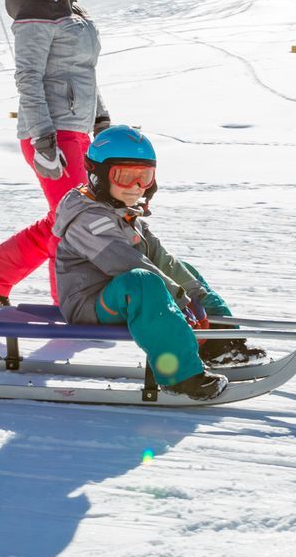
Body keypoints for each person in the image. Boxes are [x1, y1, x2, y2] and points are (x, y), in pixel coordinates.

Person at [52, 127, 263, 401]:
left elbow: (161, 259)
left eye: (145, 177)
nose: (138, 187)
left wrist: (190, 294)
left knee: (181, 270)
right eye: (126, 177)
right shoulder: (88, 219)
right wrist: (181, 301)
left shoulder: (121, 211)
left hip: (121, 294)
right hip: (88, 304)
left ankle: (222, 342)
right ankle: (180, 375)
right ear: (99, 176)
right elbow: (126, 263)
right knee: (144, 281)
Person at [0, 0, 110, 308]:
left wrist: (102, 120)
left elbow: (83, 71)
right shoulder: (36, 9)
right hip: (51, 133)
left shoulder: (69, 6)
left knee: (67, 218)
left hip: (76, 131)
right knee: (73, 220)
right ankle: (67, 298)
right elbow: (27, 77)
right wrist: (44, 139)